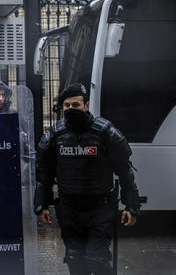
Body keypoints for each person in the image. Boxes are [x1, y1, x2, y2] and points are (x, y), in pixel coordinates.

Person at [34, 83, 140, 275]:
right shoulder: (56, 134)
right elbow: (44, 171)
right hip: (69, 207)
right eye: (67, 105)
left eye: (75, 105)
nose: (71, 109)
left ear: (86, 105)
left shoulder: (104, 132)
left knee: (97, 259)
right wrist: (42, 204)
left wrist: (131, 205)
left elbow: (124, 170)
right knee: (75, 258)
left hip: (99, 206)